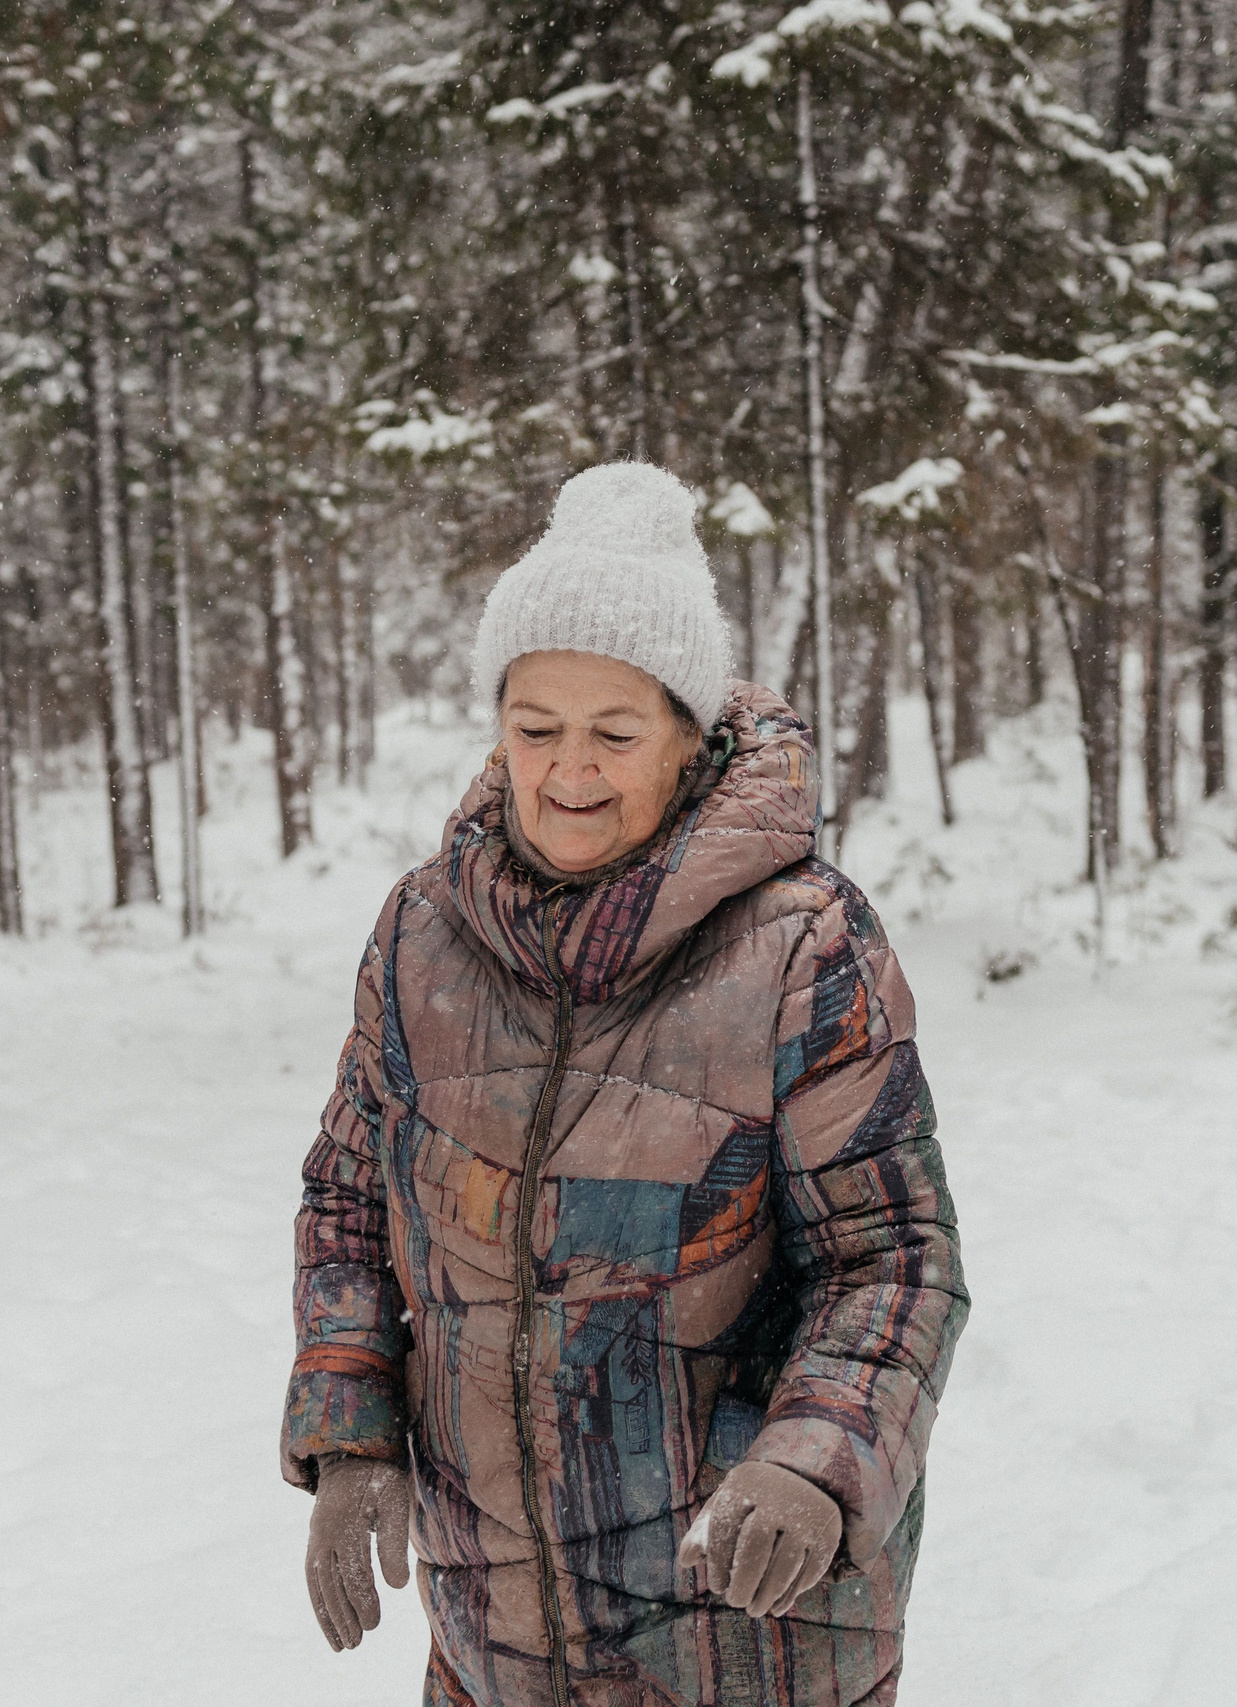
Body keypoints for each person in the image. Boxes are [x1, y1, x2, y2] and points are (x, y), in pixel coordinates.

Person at [282, 462, 966, 1706]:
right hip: (494, 1624)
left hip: (743, 1624)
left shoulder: (797, 943)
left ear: (690, 736)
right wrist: (347, 1429)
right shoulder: (422, 938)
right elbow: (347, 1202)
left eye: (615, 731)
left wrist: (814, 1462)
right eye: (535, 728)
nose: (569, 772)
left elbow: (893, 1254)